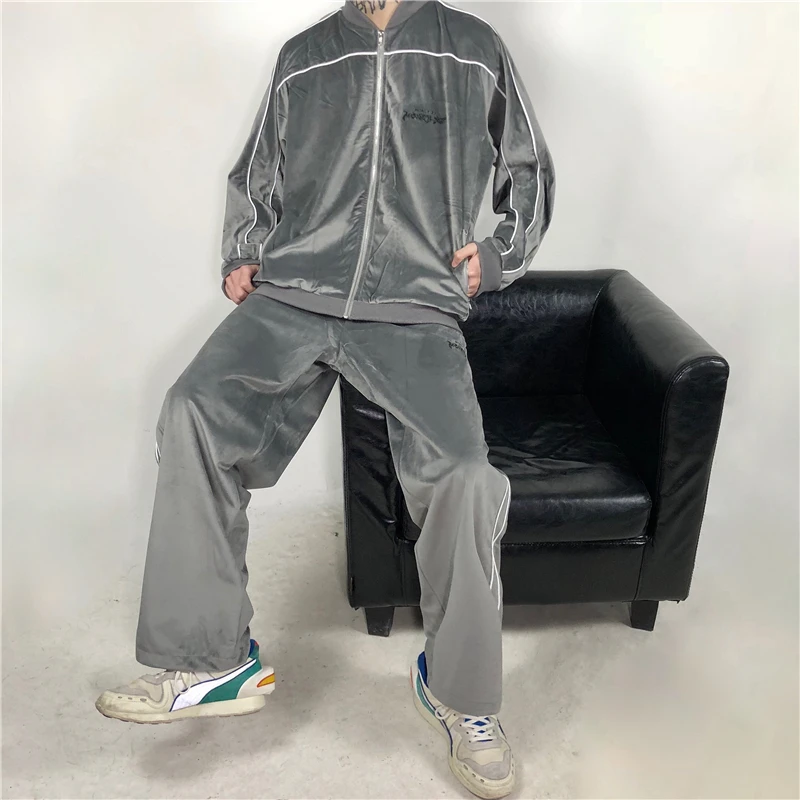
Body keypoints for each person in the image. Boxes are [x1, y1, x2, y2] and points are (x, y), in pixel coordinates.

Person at [95, 1, 555, 797]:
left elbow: (530, 168)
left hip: (413, 304)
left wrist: (497, 253)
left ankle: (460, 693)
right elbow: (256, 168)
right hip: (295, 292)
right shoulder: (304, 54)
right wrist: (244, 248)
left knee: (466, 476)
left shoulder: (473, 47)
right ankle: (212, 663)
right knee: (193, 409)